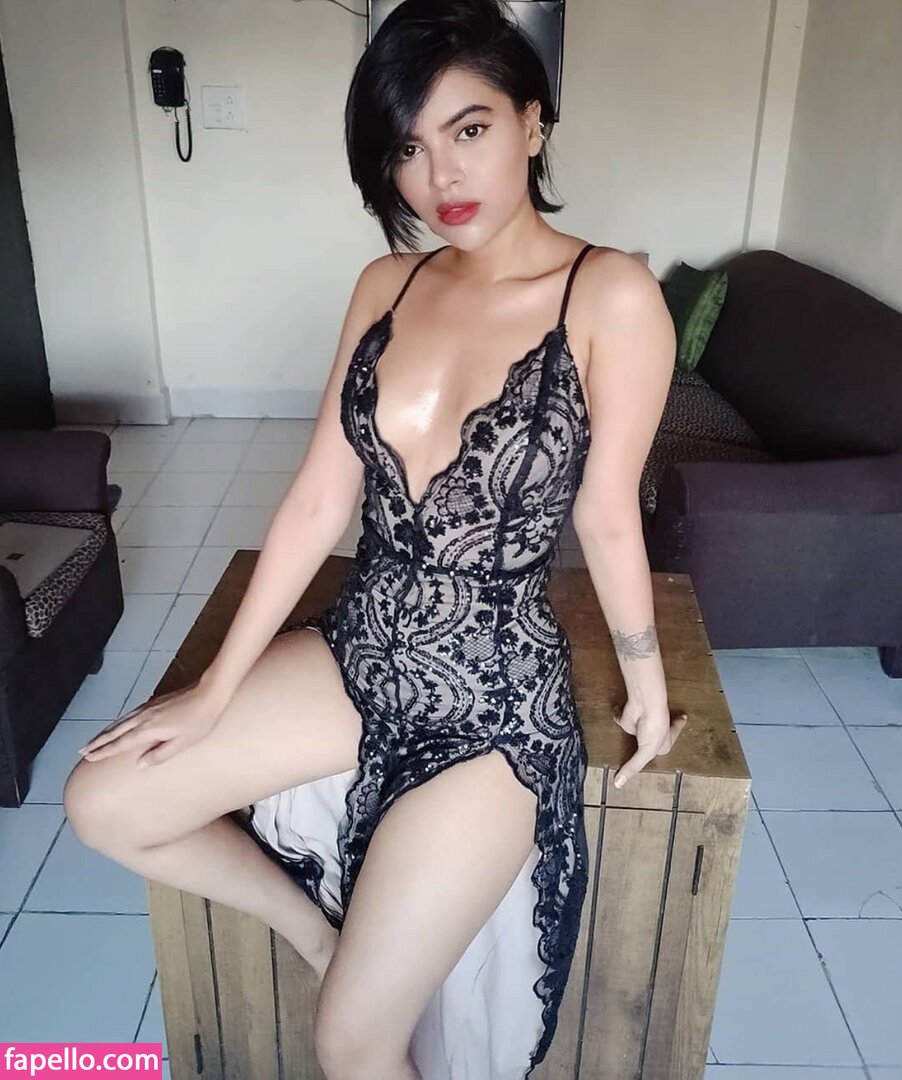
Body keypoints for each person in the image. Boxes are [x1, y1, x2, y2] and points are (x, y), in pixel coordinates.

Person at [64, 0, 687, 1076]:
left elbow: (603, 513)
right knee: (104, 800)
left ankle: (348, 984)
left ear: (532, 121)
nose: (439, 174)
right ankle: (314, 932)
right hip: (360, 649)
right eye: (405, 146)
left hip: (491, 699)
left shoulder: (610, 294)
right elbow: (318, 499)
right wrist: (215, 688)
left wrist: (646, 683)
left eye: (468, 128)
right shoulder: (386, 284)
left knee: (351, 1042)